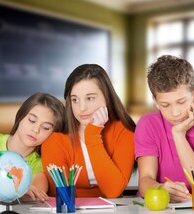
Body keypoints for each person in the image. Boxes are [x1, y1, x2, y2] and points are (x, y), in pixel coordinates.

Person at [135, 55, 194, 203]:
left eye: (181, 102)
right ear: (155, 101)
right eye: (165, 105)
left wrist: (178, 135)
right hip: (155, 209)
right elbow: (145, 180)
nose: (175, 112)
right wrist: (161, 190)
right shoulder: (148, 124)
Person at [41, 64, 135, 198]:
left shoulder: (124, 132)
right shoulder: (55, 138)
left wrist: (92, 135)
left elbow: (113, 191)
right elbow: (61, 194)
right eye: (75, 100)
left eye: (90, 98)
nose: (82, 108)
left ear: (107, 97)